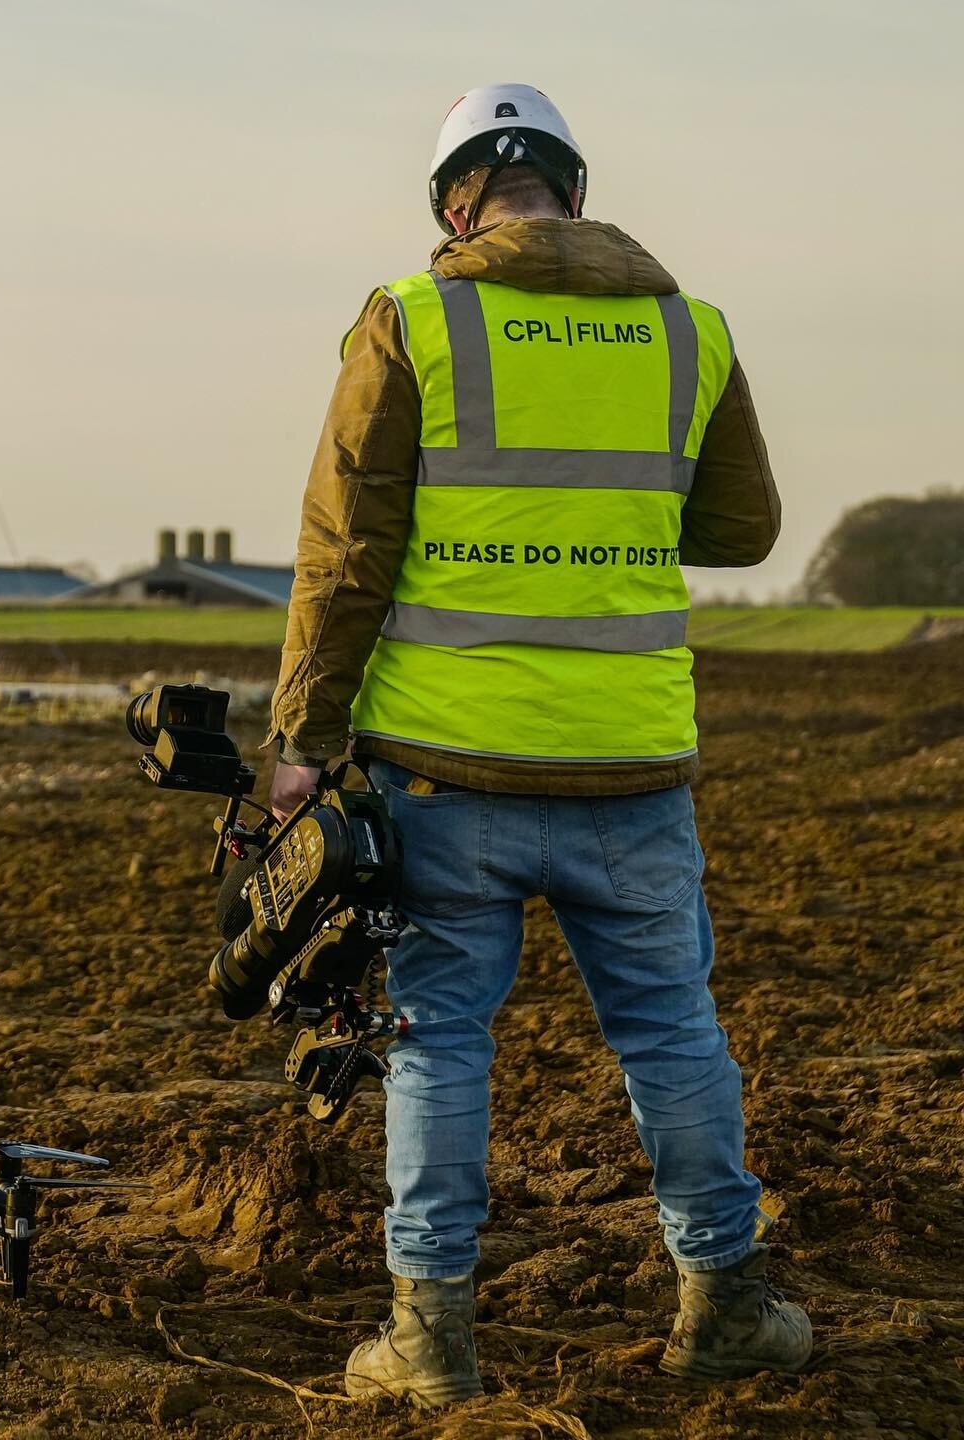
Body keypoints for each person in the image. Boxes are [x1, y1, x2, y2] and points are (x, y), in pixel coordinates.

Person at [265, 83, 810, 1408]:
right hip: (632, 770)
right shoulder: (691, 331)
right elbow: (742, 531)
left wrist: (301, 740)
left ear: (457, 202)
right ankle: (724, 1307)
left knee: (439, 1038)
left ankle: (430, 1341)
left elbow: (349, 552)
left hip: (444, 770)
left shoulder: (416, 318)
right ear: (570, 186)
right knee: (672, 1032)